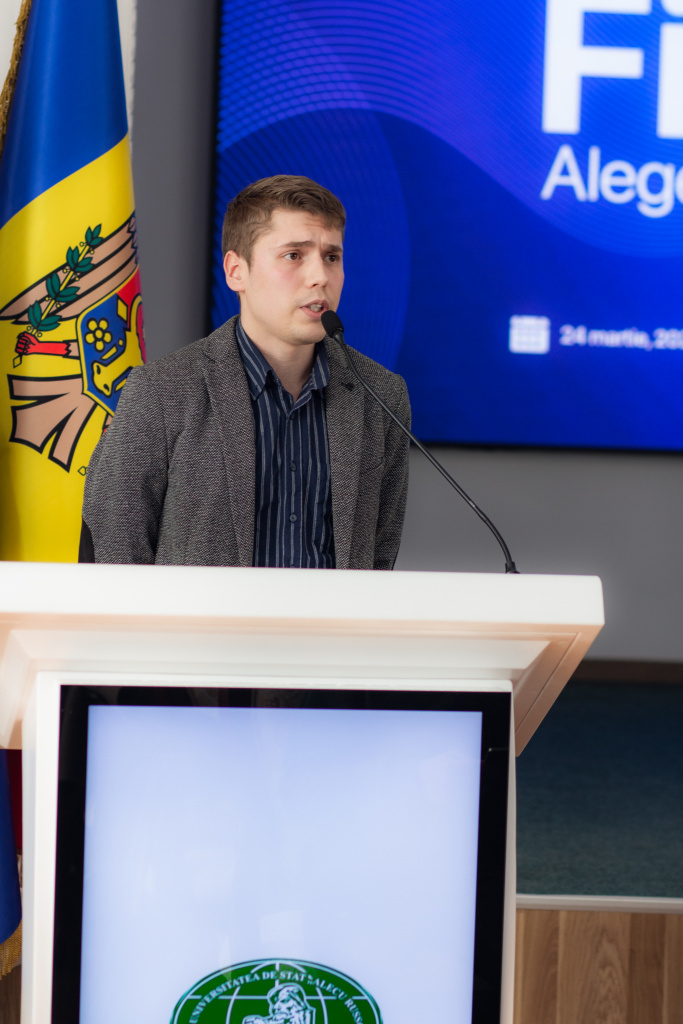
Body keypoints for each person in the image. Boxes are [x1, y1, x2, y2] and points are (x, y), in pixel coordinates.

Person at [81, 175, 410, 568]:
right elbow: (115, 552)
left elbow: (379, 556)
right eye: (294, 255)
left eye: (331, 257)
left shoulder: (381, 395)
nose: (320, 276)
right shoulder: (161, 391)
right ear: (236, 271)